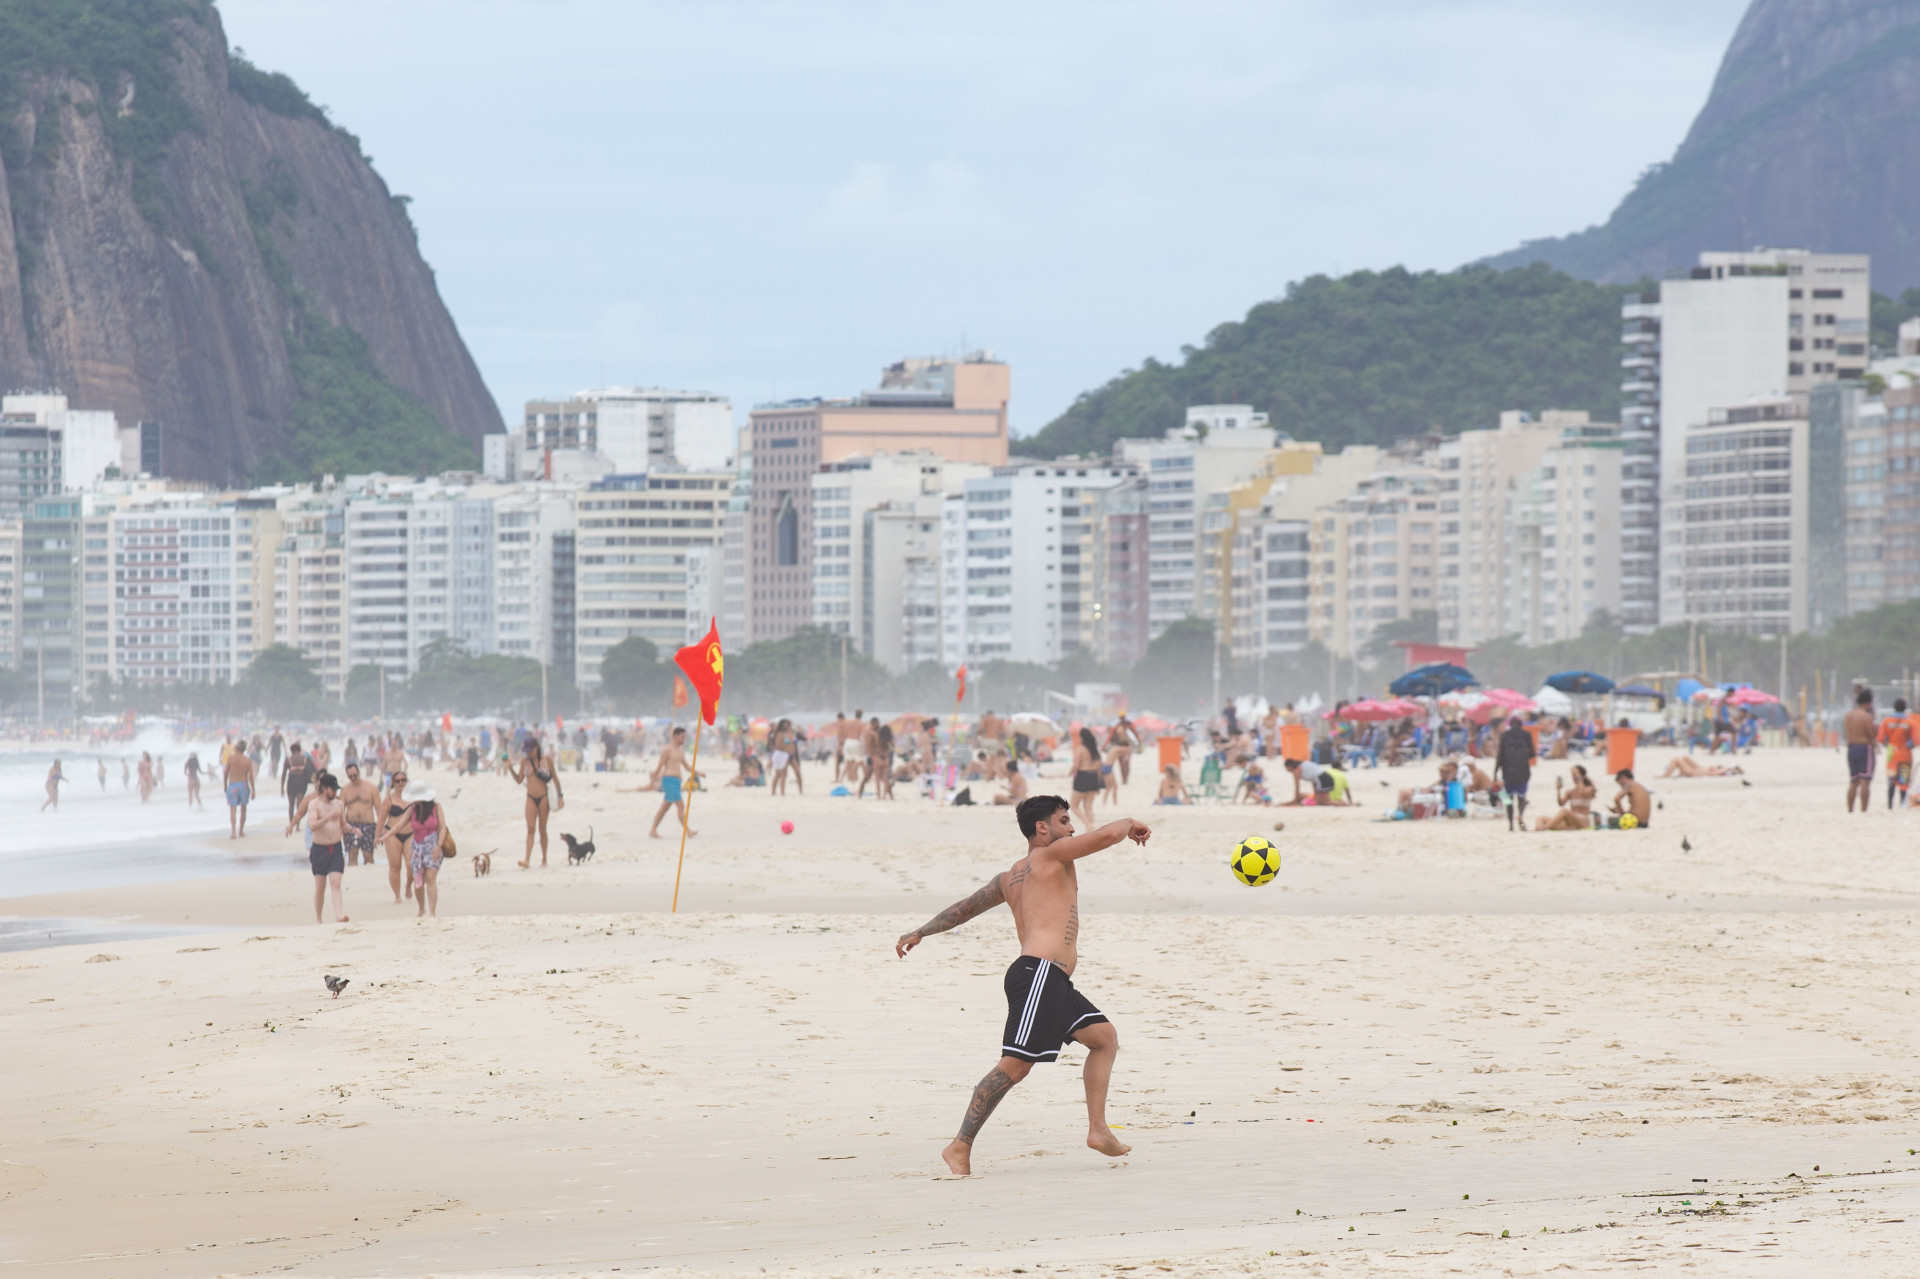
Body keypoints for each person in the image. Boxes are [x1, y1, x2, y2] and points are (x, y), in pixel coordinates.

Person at [895, 796, 1149, 1176]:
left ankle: (1098, 1130)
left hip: (1049, 978)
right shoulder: (1053, 855)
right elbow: (1108, 836)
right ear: (1042, 828)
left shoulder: (1009, 878)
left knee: (1104, 1038)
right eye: (1064, 821)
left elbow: (965, 908)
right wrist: (1130, 822)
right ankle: (959, 1145)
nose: (1071, 829)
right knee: (1015, 1066)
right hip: (1039, 975)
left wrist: (922, 931)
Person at [381, 782, 451, 917]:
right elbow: (399, 825)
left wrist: (439, 846)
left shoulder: (436, 807)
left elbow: (442, 827)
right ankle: (421, 908)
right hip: (417, 847)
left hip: (433, 845)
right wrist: (385, 836)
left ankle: (432, 912)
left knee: (430, 878)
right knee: (418, 880)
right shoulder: (412, 810)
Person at [290, 772, 349, 924]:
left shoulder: (339, 804)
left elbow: (343, 824)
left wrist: (353, 829)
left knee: (336, 881)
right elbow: (313, 826)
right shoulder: (314, 804)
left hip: (336, 848)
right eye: (332, 789)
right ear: (323, 788)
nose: (334, 792)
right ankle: (318, 918)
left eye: (336, 789)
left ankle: (338, 915)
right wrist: (328, 817)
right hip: (319, 849)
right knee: (320, 886)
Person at [510, 737, 564, 866]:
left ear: (537, 748)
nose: (529, 753)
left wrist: (560, 796)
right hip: (530, 797)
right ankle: (527, 859)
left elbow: (555, 778)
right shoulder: (524, 762)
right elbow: (519, 780)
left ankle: (544, 859)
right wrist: (509, 768)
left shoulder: (547, 760)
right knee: (530, 829)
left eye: (531, 750)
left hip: (544, 797)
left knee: (542, 829)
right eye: (527, 751)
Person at [645, 725, 696, 840]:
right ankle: (688, 831)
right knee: (680, 805)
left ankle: (653, 829)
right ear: (675, 736)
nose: (684, 739)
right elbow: (659, 766)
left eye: (684, 736)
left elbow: (686, 766)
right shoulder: (667, 749)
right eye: (682, 736)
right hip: (668, 780)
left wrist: (698, 773)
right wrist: (652, 783)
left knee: (664, 807)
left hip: (677, 781)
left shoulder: (680, 750)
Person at [1493, 717, 1535, 832]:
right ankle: (1520, 815)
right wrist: (1523, 757)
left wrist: (1495, 773)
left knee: (1508, 800)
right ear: (1521, 725)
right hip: (1523, 772)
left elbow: (1500, 756)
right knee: (1522, 797)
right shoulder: (1526, 735)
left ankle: (1511, 825)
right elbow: (1533, 753)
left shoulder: (1504, 736)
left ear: (1510, 725)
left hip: (1508, 772)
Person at [339, 762, 380, 867]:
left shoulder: (371, 788)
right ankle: (354, 875)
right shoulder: (345, 790)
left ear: (359, 772)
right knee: (352, 855)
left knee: (368, 855)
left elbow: (379, 810)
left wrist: (381, 828)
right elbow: (340, 810)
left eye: (355, 775)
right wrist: (342, 826)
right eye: (350, 776)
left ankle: (369, 875)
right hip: (351, 825)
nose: (353, 778)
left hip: (368, 825)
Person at [1535, 765, 1597, 831]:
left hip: (1582, 822)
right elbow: (1561, 803)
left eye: (1576, 775)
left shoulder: (1589, 789)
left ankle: (1547, 827)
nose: (1574, 777)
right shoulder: (1570, 792)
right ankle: (1540, 828)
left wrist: (1578, 777)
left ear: (1582, 776)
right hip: (1570, 820)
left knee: (1564, 811)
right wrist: (1558, 790)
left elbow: (1582, 793)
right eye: (1573, 775)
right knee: (1540, 818)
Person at [1845, 689, 1877, 812]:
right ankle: (1863, 810)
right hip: (1864, 748)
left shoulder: (1849, 715)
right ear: (1868, 704)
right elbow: (1872, 733)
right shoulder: (1866, 717)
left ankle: (1850, 810)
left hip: (1851, 747)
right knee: (1865, 780)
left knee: (1853, 781)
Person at [1880, 697, 1914, 809]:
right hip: (1905, 755)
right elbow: (1915, 740)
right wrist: (1907, 744)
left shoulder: (1887, 721)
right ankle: (1902, 804)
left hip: (1892, 755)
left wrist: (1889, 744)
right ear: (1905, 708)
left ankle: (1890, 805)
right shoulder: (1909, 722)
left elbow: (1881, 738)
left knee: (1891, 781)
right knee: (1903, 782)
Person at [1280, 756, 1352, 806]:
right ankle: (1345, 803)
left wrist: (1295, 800)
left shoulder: (1297, 770)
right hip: (1325, 777)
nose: (1287, 770)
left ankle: (1346, 804)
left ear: (1290, 766)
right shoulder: (1303, 764)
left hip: (1322, 779)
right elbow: (1314, 781)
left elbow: (1297, 786)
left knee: (1325, 802)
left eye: (1287, 768)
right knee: (1319, 802)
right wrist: (1316, 795)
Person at [1070, 727, 1102, 826]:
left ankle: (1088, 824)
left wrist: (1069, 773)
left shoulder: (1080, 748)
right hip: (1094, 776)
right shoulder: (1094, 750)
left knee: (1074, 805)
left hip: (1083, 776)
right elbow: (1099, 767)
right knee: (1088, 806)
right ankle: (1091, 828)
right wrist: (1098, 783)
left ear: (1082, 737)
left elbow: (1076, 765)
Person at [223, 744, 255, 838]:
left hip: (233, 785)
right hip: (243, 785)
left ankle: (233, 832)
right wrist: (253, 790)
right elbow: (251, 776)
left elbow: (226, 773)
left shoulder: (231, 758)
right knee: (243, 809)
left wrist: (225, 785)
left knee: (233, 809)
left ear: (236, 749)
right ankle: (241, 831)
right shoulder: (247, 760)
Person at [857, 717, 885, 799]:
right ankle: (860, 792)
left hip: (879, 756)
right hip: (872, 757)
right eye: (876, 724)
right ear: (872, 724)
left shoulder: (878, 732)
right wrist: (873, 756)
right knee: (867, 776)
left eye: (878, 723)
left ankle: (882, 794)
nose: (878, 725)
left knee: (882, 776)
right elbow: (869, 746)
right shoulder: (869, 733)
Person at [1660, 756, 1744, 779]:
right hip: (1697, 769)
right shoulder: (1720, 769)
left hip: (1692, 772)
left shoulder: (1721, 771)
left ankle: (1666, 775)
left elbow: (1718, 772)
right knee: (1685, 757)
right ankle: (1680, 774)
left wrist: (1728, 767)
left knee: (1676, 759)